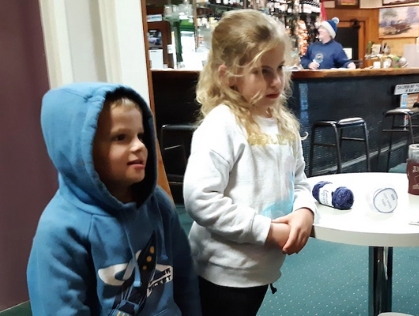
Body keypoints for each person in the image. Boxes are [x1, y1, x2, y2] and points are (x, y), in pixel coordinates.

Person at [183, 10, 317, 316]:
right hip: (220, 274)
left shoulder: (283, 124)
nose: (277, 81)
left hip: (259, 269)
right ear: (228, 75)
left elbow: (299, 180)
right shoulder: (222, 125)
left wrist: (304, 211)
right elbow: (200, 199)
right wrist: (267, 231)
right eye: (262, 71)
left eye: (280, 67)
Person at [27, 83, 202, 315]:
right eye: (121, 137)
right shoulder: (59, 229)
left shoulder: (157, 203)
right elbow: (61, 309)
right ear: (82, 149)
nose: (139, 146)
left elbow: (184, 275)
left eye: (140, 135)